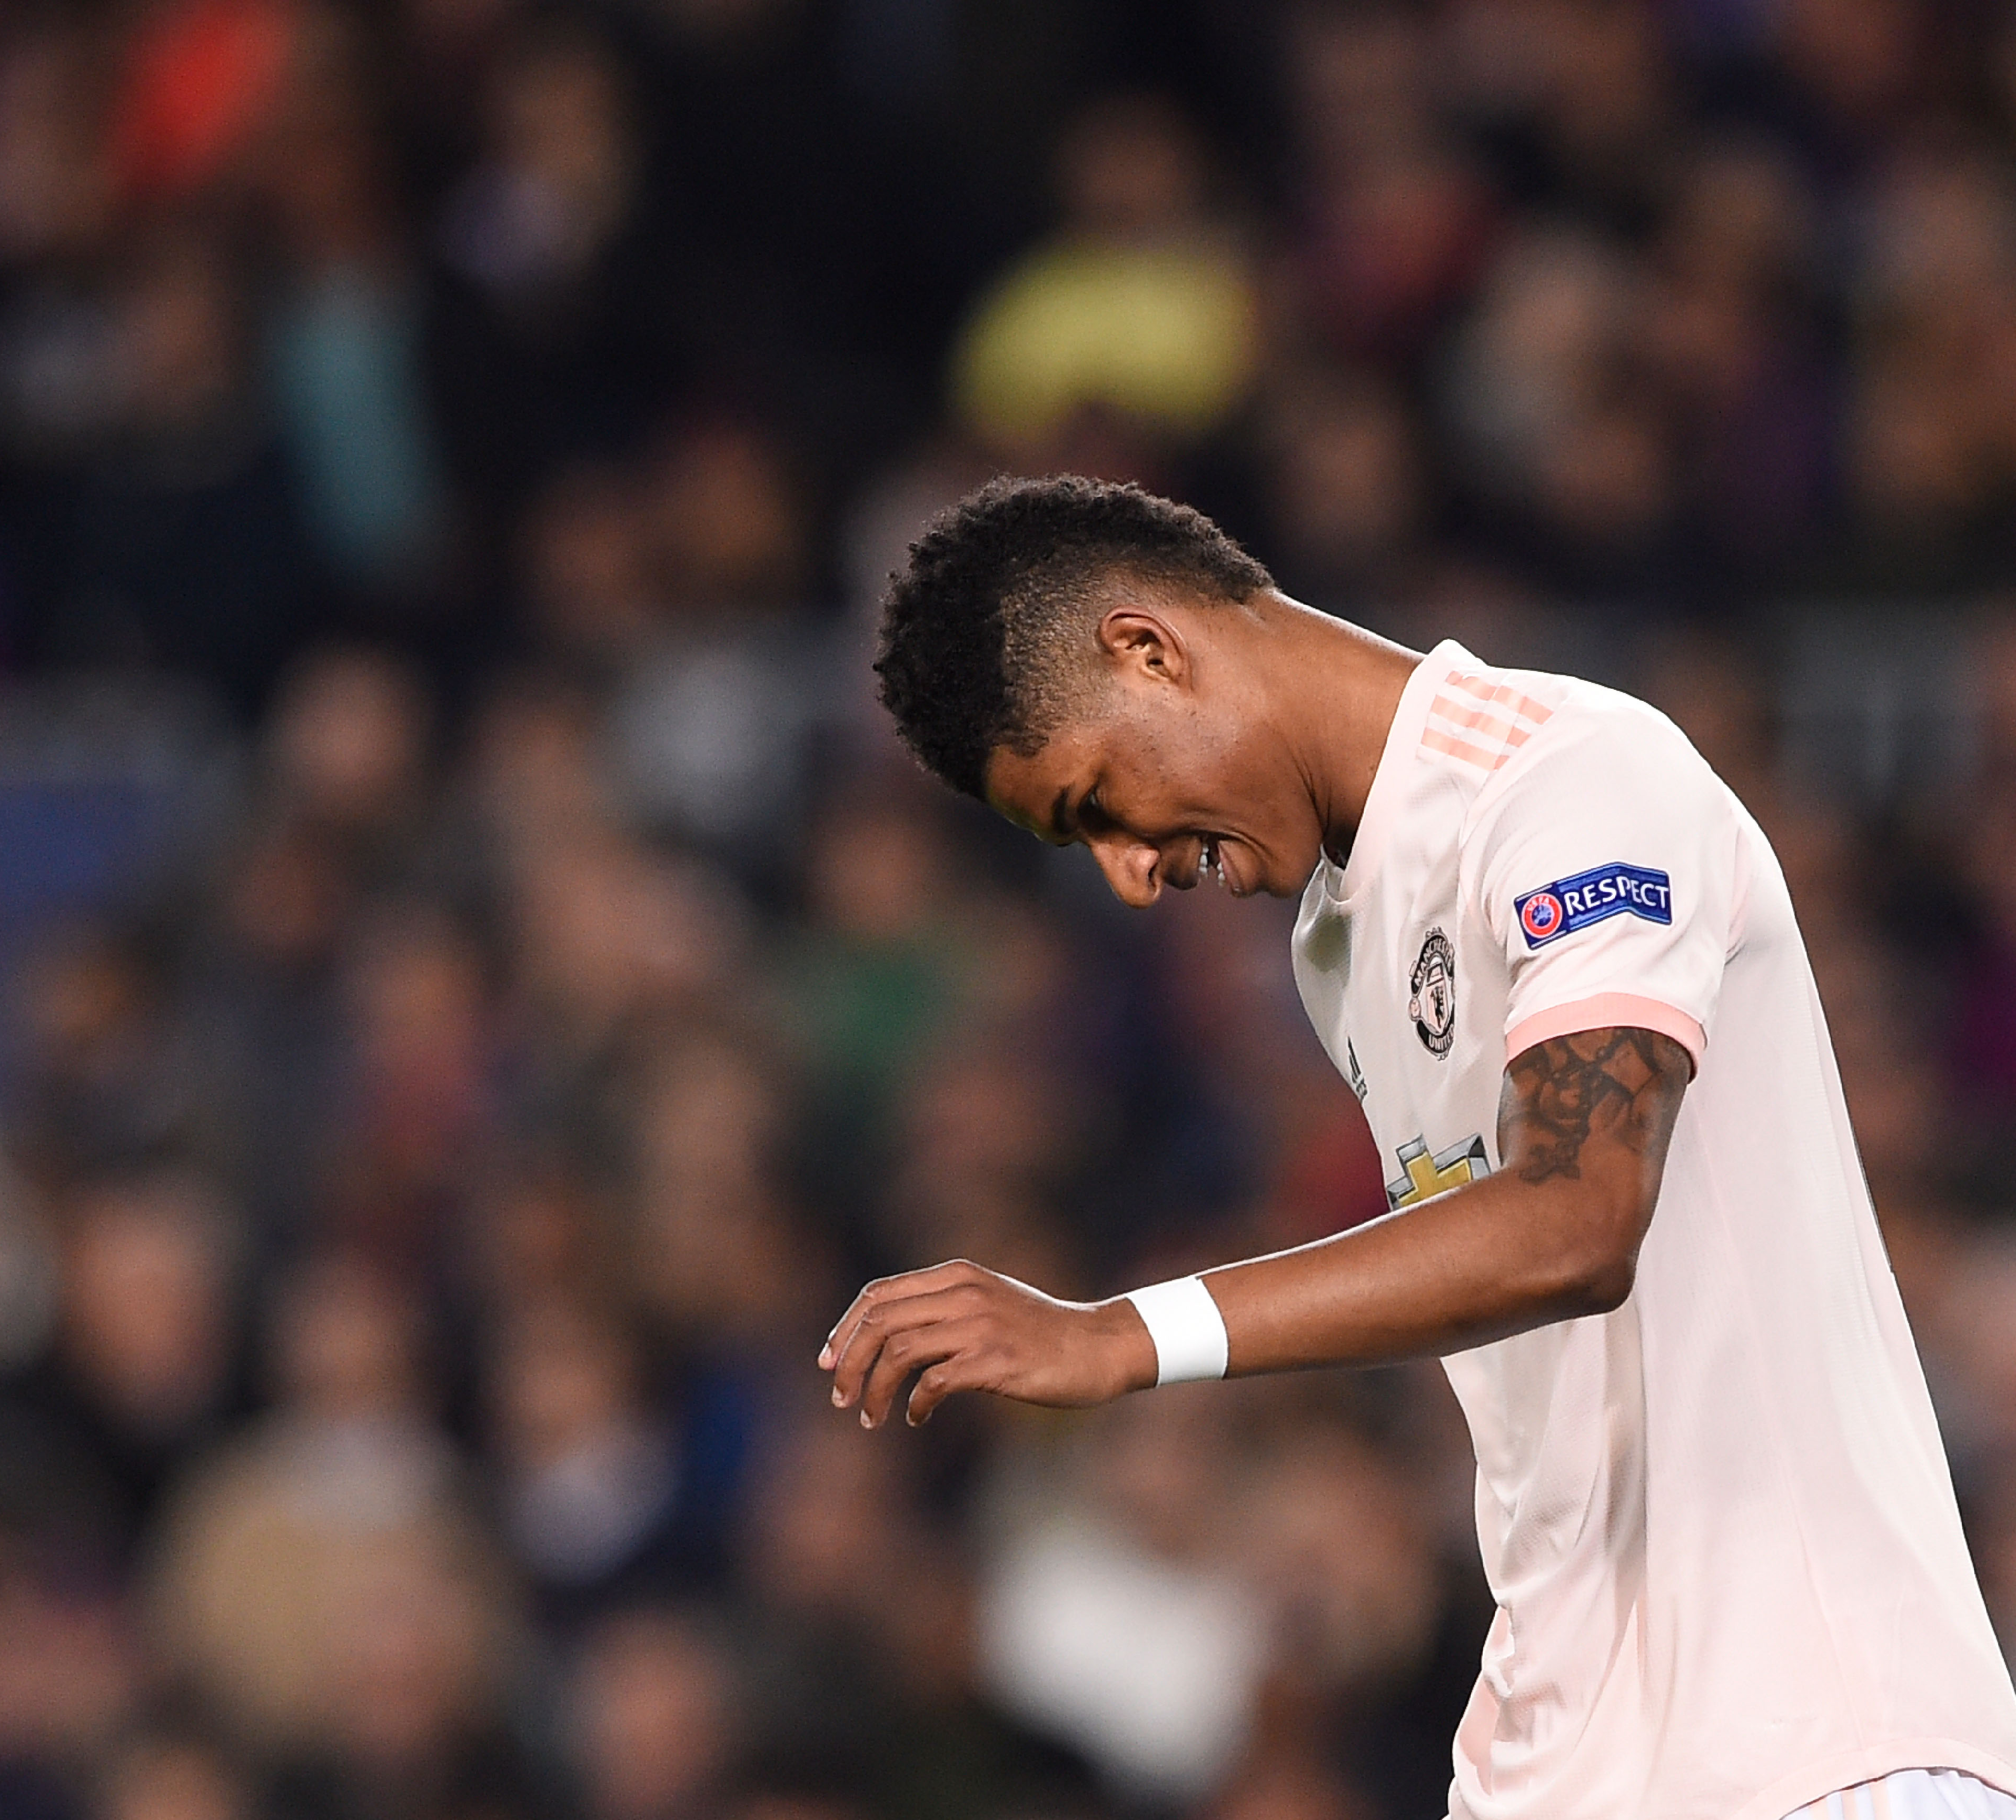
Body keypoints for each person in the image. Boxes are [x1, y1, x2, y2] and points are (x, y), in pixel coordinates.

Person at [820, 477, 2016, 1820]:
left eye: (1097, 801)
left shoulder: (1575, 782)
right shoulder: (1339, 944)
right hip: (1557, 1765)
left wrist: (1124, 1336)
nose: (1128, 872)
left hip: (1812, 1742)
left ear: (1146, 649)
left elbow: (1575, 1221)